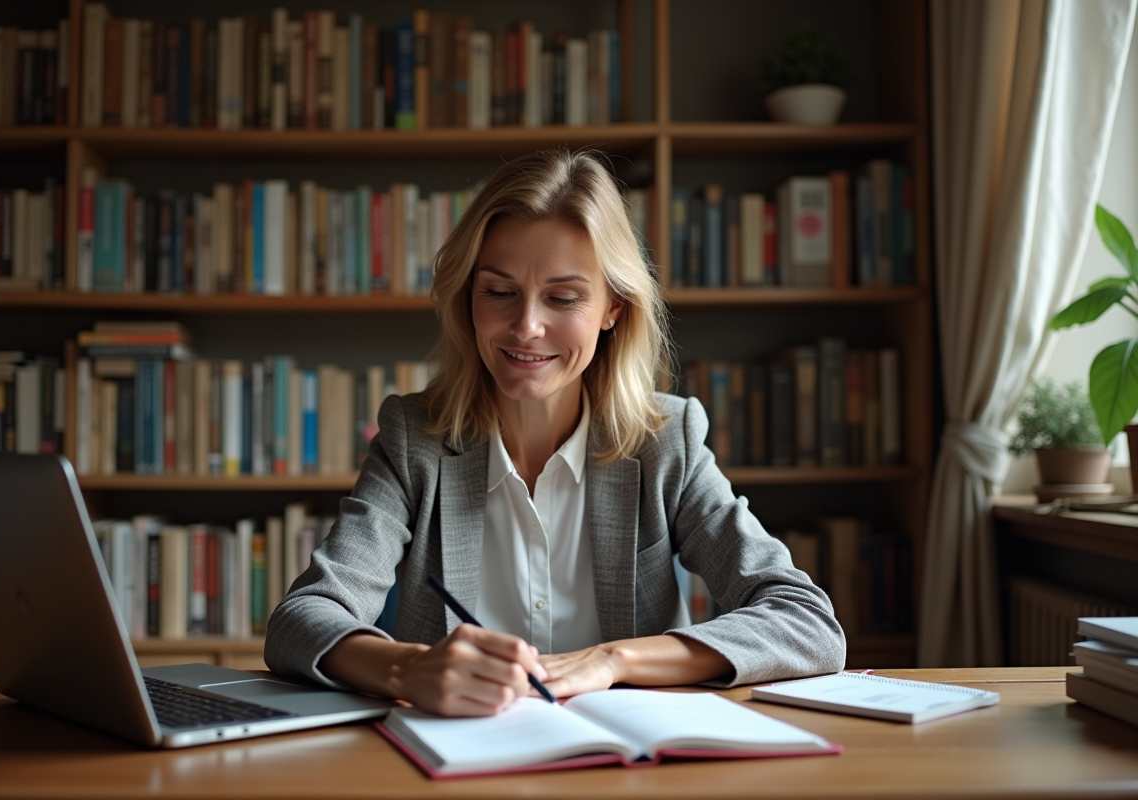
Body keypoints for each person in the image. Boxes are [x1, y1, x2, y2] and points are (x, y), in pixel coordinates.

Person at [264, 148, 844, 717]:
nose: (527, 327)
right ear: (468, 298)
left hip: (628, 769)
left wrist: (613, 660)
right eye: (498, 292)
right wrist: (407, 669)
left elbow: (805, 623)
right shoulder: (414, 439)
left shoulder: (667, 440)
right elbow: (302, 619)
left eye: (563, 298)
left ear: (613, 307)